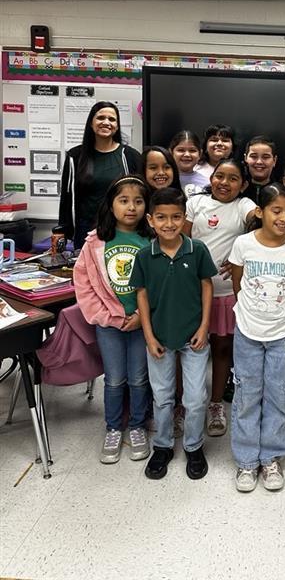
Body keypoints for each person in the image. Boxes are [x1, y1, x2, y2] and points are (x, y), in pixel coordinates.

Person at [228, 183, 285, 492]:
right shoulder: (243, 244)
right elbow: (239, 284)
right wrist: (251, 312)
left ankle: (271, 458)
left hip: (283, 332)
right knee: (248, 393)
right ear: (261, 212)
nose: (284, 218)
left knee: (280, 392)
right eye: (277, 211)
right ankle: (247, 461)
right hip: (248, 329)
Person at [131, 187, 217, 481]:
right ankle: (163, 446)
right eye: (162, 217)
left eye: (176, 217)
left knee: (194, 398)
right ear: (151, 220)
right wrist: (149, 336)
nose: (169, 223)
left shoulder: (198, 250)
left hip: (194, 338)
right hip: (159, 339)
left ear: (184, 218)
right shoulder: (144, 256)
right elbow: (140, 295)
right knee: (163, 397)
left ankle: (194, 447)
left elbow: (207, 286)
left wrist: (205, 326)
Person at [73, 175, 152, 464]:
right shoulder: (95, 242)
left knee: (139, 378)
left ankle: (137, 426)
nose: (131, 207)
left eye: (138, 201)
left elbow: (160, 283)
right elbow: (83, 284)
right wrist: (108, 317)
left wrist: (143, 316)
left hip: (142, 324)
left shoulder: (151, 239)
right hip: (109, 324)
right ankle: (113, 427)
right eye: (124, 200)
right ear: (111, 204)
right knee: (115, 379)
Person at [183, 158, 255, 437]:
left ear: (244, 184)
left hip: (227, 293)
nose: (224, 183)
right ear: (211, 178)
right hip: (194, 293)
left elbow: (256, 221)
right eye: (219, 176)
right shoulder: (195, 204)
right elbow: (183, 240)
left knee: (223, 349)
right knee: (191, 350)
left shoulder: (243, 205)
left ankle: (215, 404)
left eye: (233, 178)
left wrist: (243, 255)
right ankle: (186, 405)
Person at [59, 101, 142, 249]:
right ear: (91, 123)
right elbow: (66, 198)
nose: (106, 122)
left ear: (117, 126)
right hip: (85, 232)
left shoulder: (130, 156)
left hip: (121, 229)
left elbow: (141, 197)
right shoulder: (75, 156)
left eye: (112, 119)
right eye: (100, 118)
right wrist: (62, 233)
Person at [169, 130, 205, 198]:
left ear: (200, 154)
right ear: (171, 152)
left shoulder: (207, 183)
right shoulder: (165, 179)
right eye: (181, 150)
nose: (187, 155)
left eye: (192, 150)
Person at [243, 136, 278, 203]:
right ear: (245, 158)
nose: (259, 162)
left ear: (274, 160)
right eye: (253, 156)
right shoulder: (237, 191)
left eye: (265, 157)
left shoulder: (281, 193)